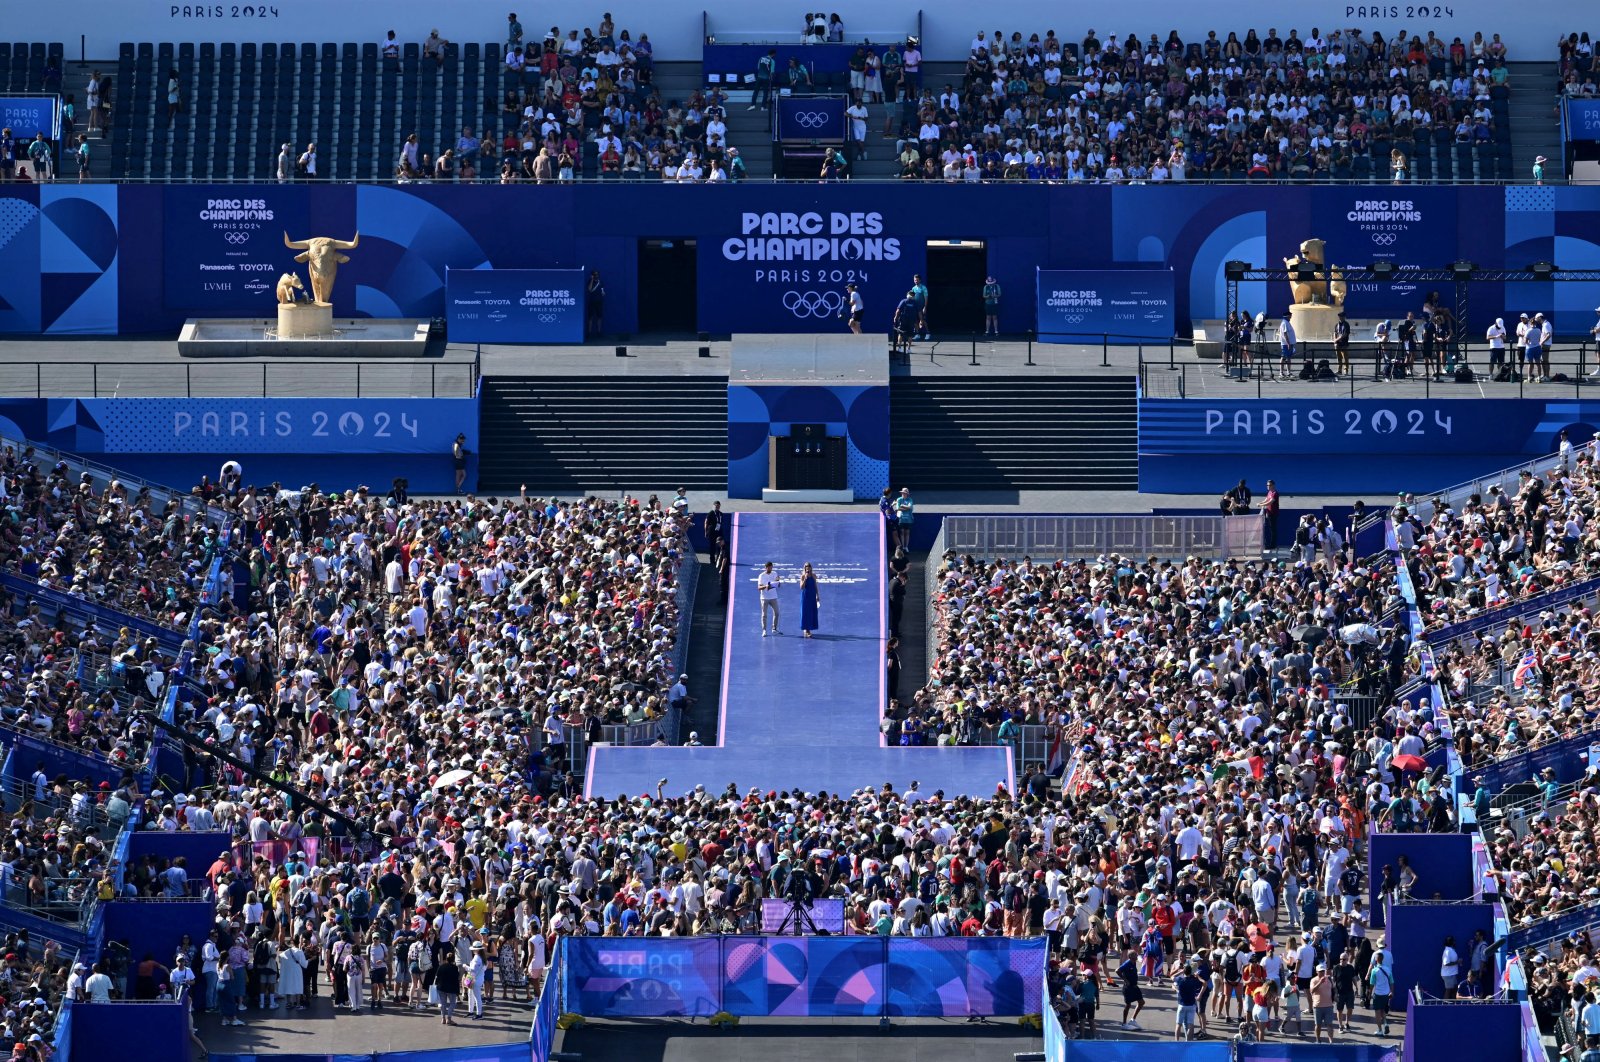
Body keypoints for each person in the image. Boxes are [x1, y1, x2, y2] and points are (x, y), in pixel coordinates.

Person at [1174, 961, 1203, 1040]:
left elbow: (1172, 976)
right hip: (1191, 1005)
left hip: (1182, 1005)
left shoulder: (1180, 980)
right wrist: (1198, 977)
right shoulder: (1194, 980)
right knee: (1191, 1024)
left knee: (1178, 1024)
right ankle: (1189, 1042)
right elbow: (1203, 983)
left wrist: (1180, 971)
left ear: (1184, 971)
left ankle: (1177, 1042)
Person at [436, 950, 461, 1025]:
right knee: (452, 1003)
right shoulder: (455, 968)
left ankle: (443, 1018)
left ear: (446, 959)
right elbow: (457, 979)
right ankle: (449, 1018)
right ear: (453, 960)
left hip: (441, 987)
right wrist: (458, 991)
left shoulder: (441, 966)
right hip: (451, 988)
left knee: (443, 1004)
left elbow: (437, 977)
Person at [758, 561, 781, 636]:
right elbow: (759, 587)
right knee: (764, 615)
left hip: (773, 597)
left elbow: (778, 585)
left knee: (777, 613)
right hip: (764, 598)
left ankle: (774, 629)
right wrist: (766, 586)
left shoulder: (775, 574)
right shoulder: (761, 576)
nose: (770, 568)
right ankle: (764, 630)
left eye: (771, 567)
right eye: (768, 567)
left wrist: (777, 583)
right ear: (765, 568)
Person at [799, 562, 821, 638]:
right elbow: (801, 587)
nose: (807, 568)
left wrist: (817, 595)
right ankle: (807, 630)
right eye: (806, 566)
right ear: (804, 568)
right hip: (805, 596)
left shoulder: (814, 576)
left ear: (811, 567)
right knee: (806, 612)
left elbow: (815, 586)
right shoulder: (802, 576)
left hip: (812, 596)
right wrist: (805, 578)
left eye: (809, 566)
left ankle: (808, 629)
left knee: (812, 612)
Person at [1262, 479, 1281, 550]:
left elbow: (1270, 502)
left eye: (1269, 485)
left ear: (1273, 485)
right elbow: (1266, 499)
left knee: (1273, 530)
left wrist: (1261, 505)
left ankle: (1273, 545)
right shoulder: (1269, 492)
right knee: (1271, 529)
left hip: (1273, 514)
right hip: (1269, 513)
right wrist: (1261, 503)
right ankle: (1272, 544)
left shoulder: (1275, 493)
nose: (1268, 486)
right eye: (1267, 485)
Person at [909, 274, 930, 339]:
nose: (916, 281)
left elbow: (926, 298)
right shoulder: (913, 288)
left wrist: (925, 307)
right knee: (915, 321)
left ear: (920, 280)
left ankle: (928, 333)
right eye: (915, 280)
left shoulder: (923, 288)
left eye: (917, 280)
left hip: (921, 307)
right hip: (915, 307)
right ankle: (917, 334)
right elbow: (911, 297)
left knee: (923, 320)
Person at [585, 270, 605, 338]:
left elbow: (602, 290)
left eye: (597, 274)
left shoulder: (600, 282)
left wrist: (603, 293)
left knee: (599, 317)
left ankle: (599, 332)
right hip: (592, 302)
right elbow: (589, 289)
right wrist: (591, 279)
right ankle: (589, 333)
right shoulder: (590, 282)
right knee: (590, 317)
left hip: (599, 302)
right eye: (594, 275)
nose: (596, 276)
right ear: (592, 275)